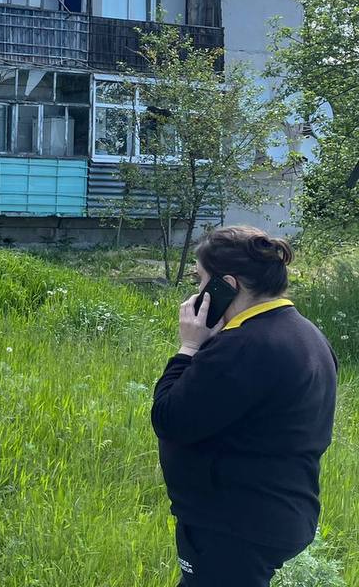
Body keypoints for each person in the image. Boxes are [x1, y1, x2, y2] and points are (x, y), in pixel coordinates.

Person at [152, 226, 338, 587]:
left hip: (233, 524)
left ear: (227, 286)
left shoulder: (244, 346)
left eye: (200, 279)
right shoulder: (305, 333)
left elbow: (170, 418)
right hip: (272, 512)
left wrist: (189, 348)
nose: (196, 292)